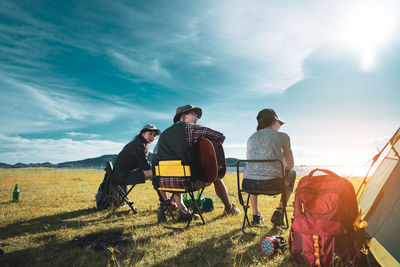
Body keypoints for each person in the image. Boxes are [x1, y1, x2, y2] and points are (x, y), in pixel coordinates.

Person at [152, 104, 240, 221]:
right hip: (187, 182)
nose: (197, 118)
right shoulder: (189, 128)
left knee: (178, 175)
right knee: (217, 177)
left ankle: (182, 210)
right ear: (183, 116)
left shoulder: (163, 135)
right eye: (194, 114)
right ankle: (229, 208)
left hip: (165, 183)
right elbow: (220, 136)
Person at [243, 108, 296, 226]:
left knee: (254, 171)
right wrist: (278, 171)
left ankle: (255, 214)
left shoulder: (251, 138)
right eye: (279, 123)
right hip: (272, 184)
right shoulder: (283, 136)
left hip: (249, 184)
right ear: (274, 121)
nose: (280, 126)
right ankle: (279, 212)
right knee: (292, 172)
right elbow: (290, 164)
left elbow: (250, 162)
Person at [113, 124, 173, 208]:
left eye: (154, 136)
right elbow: (145, 166)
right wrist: (157, 168)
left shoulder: (138, 143)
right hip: (123, 176)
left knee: (157, 173)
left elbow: (144, 164)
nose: (152, 137)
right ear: (142, 133)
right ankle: (166, 201)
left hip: (122, 174)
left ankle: (166, 200)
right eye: (150, 134)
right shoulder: (139, 145)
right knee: (157, 173)